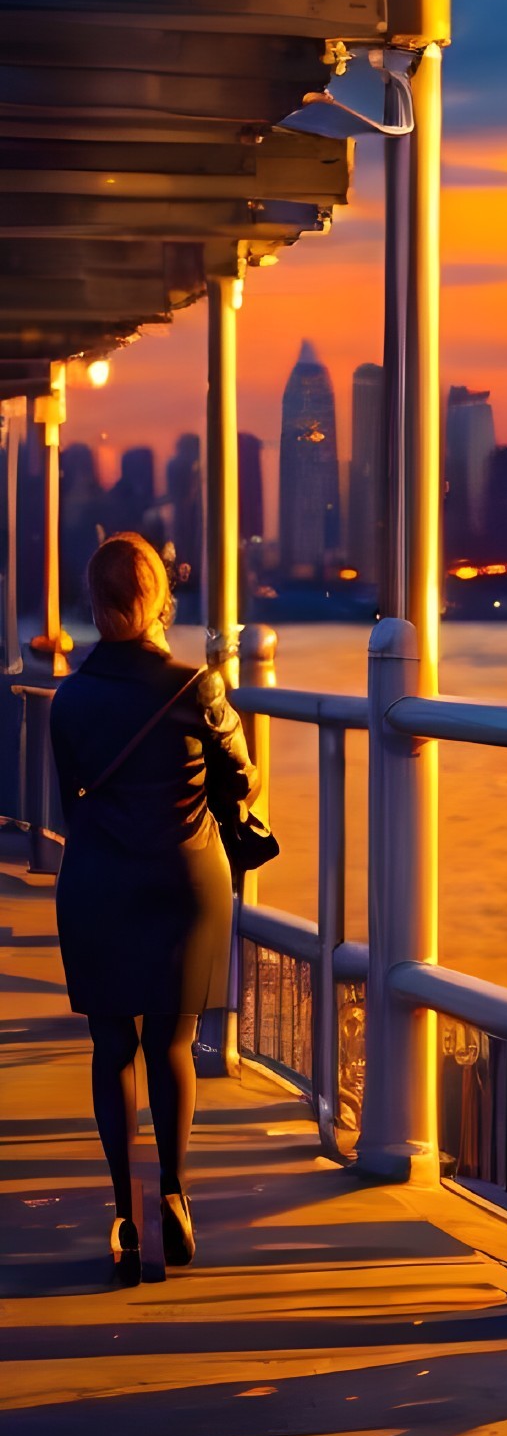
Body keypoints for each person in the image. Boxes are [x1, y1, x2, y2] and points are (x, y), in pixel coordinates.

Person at [50, 532, 256, 1286]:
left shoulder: (70, 698)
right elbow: (242, 782)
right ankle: (174, 1192)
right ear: (161, 600)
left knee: (113, 1049)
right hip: (184, 880)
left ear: (93, 604)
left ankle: (123, 1215)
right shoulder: (196, 686)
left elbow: (71, 798)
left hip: (100, 880)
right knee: (174, 1044)